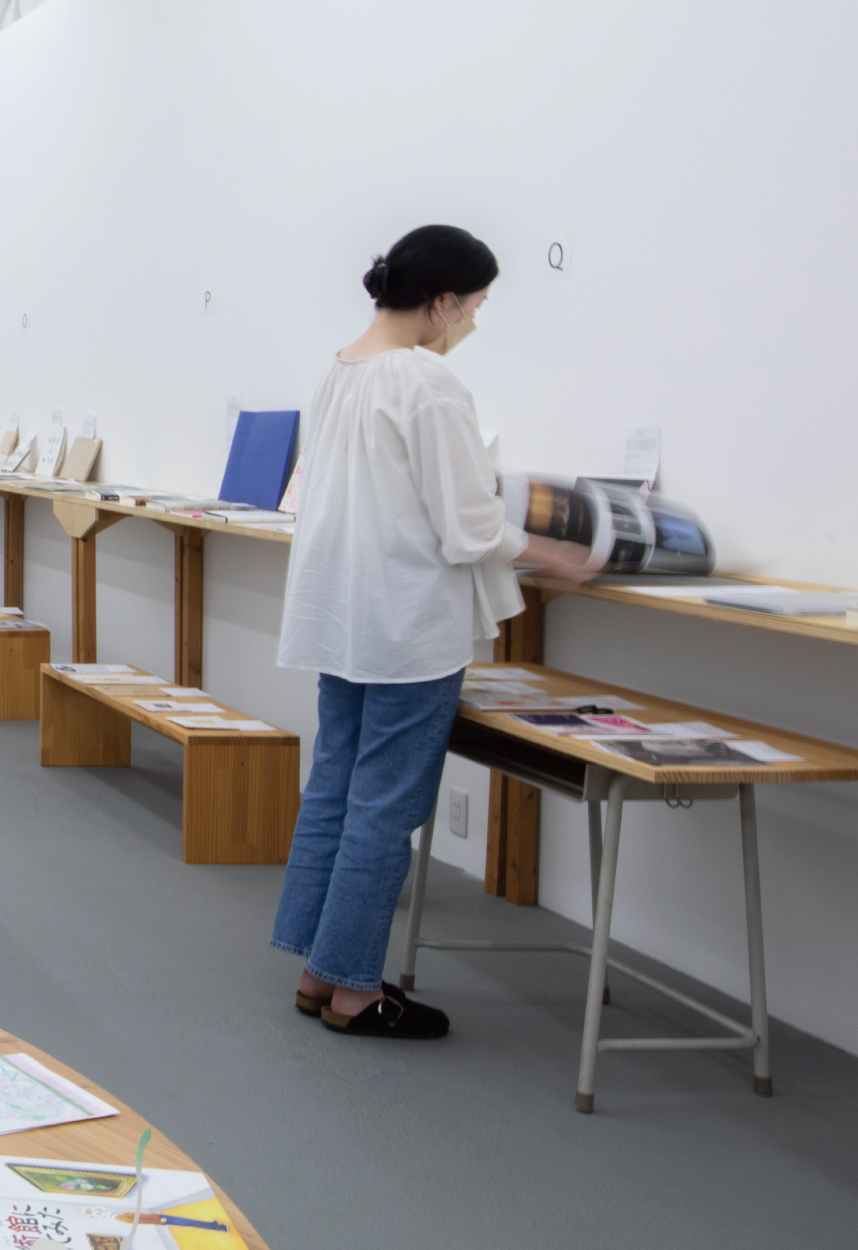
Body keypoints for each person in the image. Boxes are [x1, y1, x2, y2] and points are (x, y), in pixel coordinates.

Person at [271, 225, 591, 1039]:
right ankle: (352, 992)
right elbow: (469, 525)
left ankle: (316, 971)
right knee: (386, 805)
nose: (473, 321)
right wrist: (558, 553)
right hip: (407, 624)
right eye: (475, 305)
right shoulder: (426, 380)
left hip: (343, 616)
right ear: (443, 301)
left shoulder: (341, 368)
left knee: (336, 788)